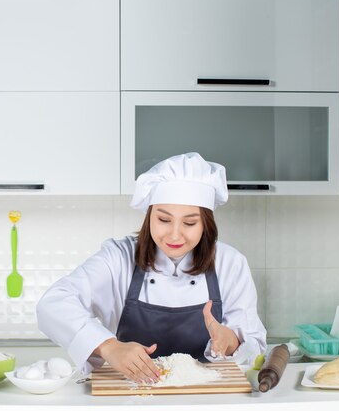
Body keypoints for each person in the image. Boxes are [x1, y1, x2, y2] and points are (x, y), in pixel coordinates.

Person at [36, 152, 266, 383]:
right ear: (149, 217)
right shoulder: (118, 257)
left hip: (207, 394)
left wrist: (229, 342)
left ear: (206, 224)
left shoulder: (230, 263)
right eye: (164, 220)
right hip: (130, 393)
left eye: (189, 222)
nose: (175, 234)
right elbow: (53, 303)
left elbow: (254, 346)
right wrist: (108, 347)